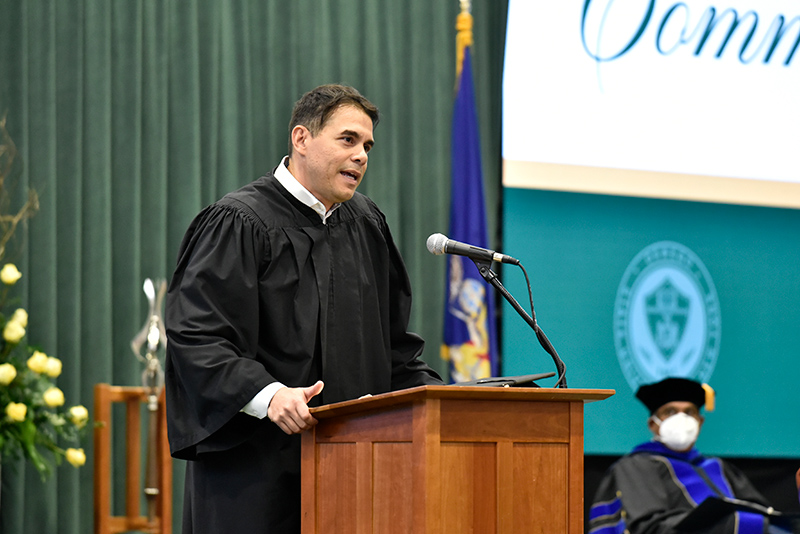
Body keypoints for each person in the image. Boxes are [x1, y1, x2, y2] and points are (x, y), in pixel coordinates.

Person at [164, 84, 443, 533]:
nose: (361, 156)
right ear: (301, 139)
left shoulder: (367, 224)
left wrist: (442, 399)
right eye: (348, 140)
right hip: (255, 477)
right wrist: (270, 395)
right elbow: (196, 336)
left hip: (355, 472)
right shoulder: (241, 221)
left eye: (367, 146)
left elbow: (394, 351)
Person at [589, 377, 796, 534]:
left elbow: (759, 514)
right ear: (653, 424)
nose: (681, 418)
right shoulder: (636, 466)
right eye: (670, 412)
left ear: (700, 422)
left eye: (689, 412)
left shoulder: (719, 467)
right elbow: (650, 527)